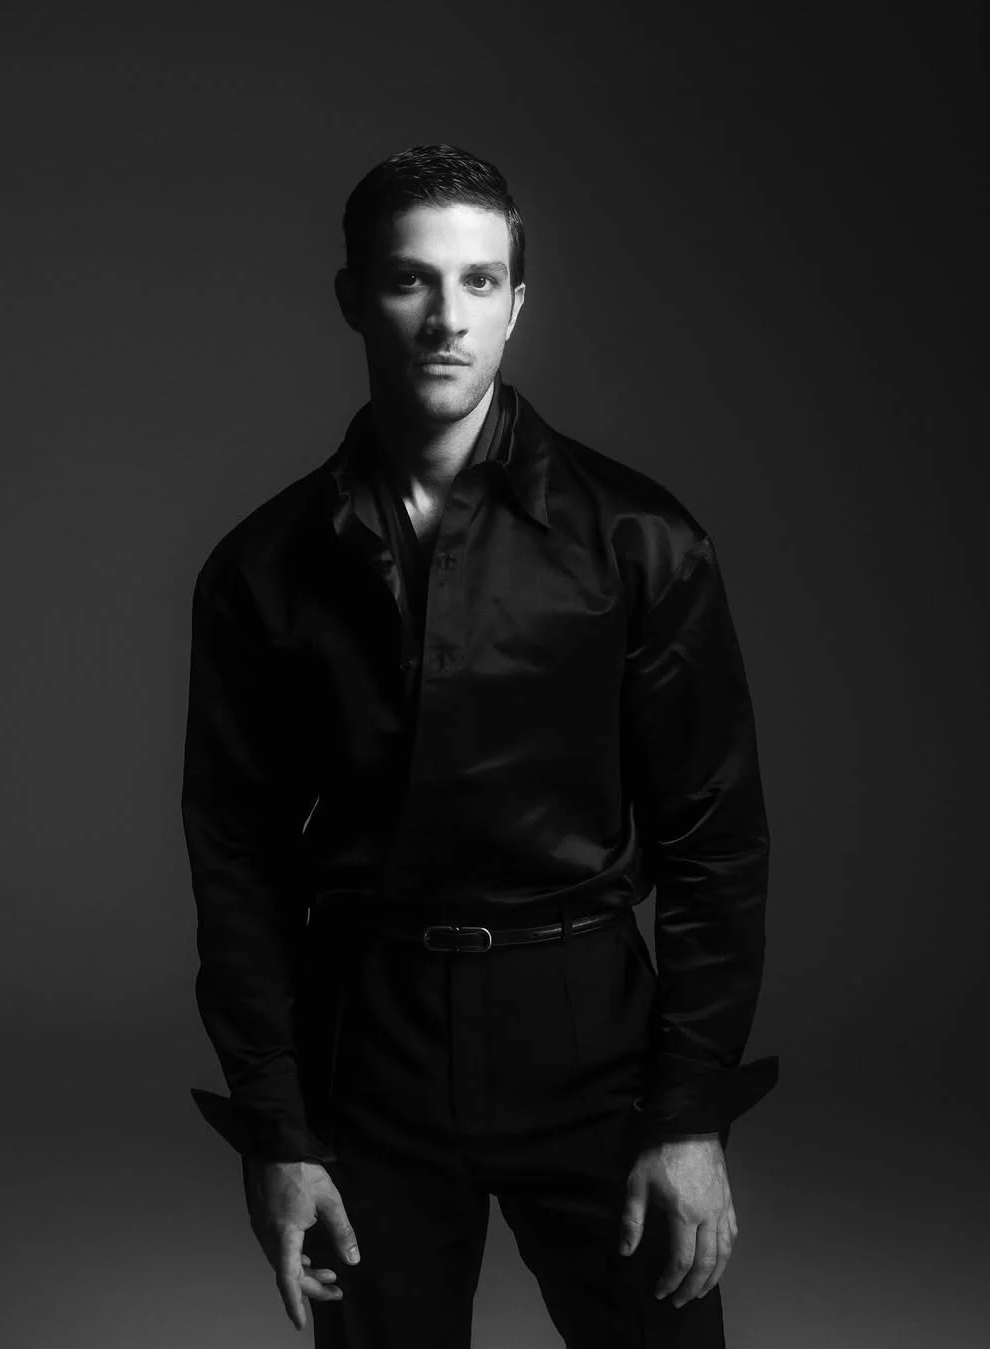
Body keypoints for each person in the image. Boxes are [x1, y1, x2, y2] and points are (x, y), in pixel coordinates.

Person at [181, 142, 778, 1348]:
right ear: (354, 297)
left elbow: (714, 842)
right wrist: (280, 1132)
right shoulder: (262, 567)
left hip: (589, 1034)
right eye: (411, 279)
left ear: (517, 302)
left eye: (480, 280)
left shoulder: (640, 540)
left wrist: (688, 1114)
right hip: (369, 1045)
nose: (447, 317)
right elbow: (237, 860)